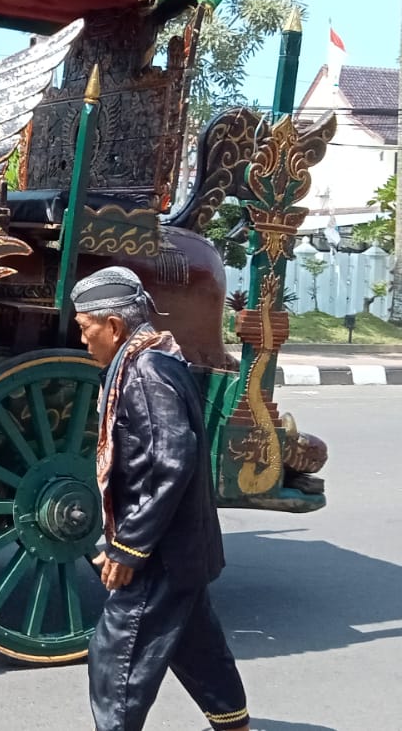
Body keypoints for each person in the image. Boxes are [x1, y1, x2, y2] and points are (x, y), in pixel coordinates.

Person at [71, 266, 249, 731]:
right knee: (199, 649)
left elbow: (169, 461)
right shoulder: (149, 361)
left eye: (86, 329)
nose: (84, 340)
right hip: (180, 546)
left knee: (117, 658)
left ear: (114, 326)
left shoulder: (147, 371)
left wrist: (129, 546)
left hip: (162, 553)